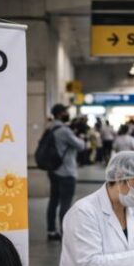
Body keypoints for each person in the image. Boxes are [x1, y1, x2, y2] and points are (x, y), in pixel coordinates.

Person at [46, 103, 85, 241]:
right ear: (59, 114)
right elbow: (81, 146)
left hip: (53, 170)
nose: (67, 114)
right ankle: (65, 233)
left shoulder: (50, 127)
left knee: (53, 201)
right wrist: (80, 136)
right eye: (65, 112)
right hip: (67, 172)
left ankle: (51, 231)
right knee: (66, 203)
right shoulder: (64, 130)